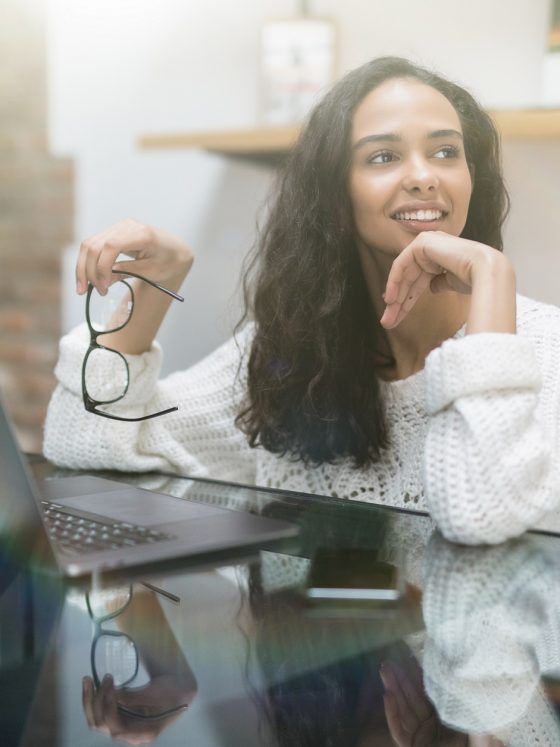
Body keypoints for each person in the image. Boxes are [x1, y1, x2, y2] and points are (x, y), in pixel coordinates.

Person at [44, 56, 560, 544]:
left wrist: (493, 275)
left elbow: (482, 517)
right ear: (334, 193)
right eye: (383, 156)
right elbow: (86, 452)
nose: (425, 176)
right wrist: (153, 286)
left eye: (446, 152)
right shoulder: (294, 351)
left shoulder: (547, 352)